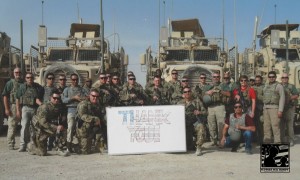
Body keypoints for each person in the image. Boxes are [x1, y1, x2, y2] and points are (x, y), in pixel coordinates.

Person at [27, 90, 69, 156]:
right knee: (42, 153)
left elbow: (63, 114)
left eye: (58, 98)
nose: (56, 100)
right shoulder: (44, 107)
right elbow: (43, 123)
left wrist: (62, 121)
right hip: (40, 128)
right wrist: (56, 127)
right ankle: (31, 146)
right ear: (50, 98)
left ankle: (60, 148)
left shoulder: (59, 106)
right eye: (54, 98)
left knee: (63, 130)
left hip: (49, 126)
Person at [16, 72, 43, 152]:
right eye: (28, 77)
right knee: (24, 127)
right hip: (25, 108)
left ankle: (33, 145)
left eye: (31, 77)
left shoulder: (38, 87)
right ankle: (22, 145)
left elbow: (40, 98)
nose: (29, 79)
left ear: (33, 78)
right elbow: (17, 98)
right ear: (25, 78)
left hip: (35, 109)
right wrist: (18, 110)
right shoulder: (22, 87)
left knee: (35, 127)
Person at [62, 73, 88, 153]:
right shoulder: (67, 89)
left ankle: (81, 145)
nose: (75, 81)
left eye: (76, 79)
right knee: (70, 128)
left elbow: (88, 97)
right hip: (71, 110)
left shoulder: (82, 89)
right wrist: (74, 98)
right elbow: (63, 100)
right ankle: (68, 146)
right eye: (73, 79)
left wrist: (82, 99)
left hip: (81, 111)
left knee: (81, 128)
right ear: (71, 80)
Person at [177, 86, 207, 156]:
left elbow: (205, 112)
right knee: (188, 146)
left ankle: (199, 147)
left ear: (191, 92)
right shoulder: (179, 103)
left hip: (194, 124)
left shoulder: (197, 101)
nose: (187, 93)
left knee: (201, 127)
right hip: (183, 126)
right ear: (183, 94)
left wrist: (199, 112)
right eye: (185, 92)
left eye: (189, 91)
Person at [76, 89, 106, 154]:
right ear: (89, 95)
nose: (95, 98)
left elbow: (101, 115)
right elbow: (82, 116)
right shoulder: (83, 104)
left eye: (97, 96)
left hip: (94, 128)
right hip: (84, 129)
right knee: (85, 152)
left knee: (100, 149)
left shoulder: (98, 105)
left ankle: (98, 146)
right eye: (93, 96)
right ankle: (75, 146)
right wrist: (95, 118)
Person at [204, 72, 230, 146]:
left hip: (220, 106)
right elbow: (203, 94)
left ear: (220, 77)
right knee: (211, 124)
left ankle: (221, 141)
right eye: (214, 77)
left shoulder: (223, 85)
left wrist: (220, 91)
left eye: (217, 77)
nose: (216, 78)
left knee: (221, 124)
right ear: (212, 78)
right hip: (210, 107)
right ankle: (213, 140)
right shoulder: (208, 86)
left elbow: (229, 94)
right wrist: (208, 92)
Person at [2, 68, 24, 150]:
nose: (18, 73)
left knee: (25, 125)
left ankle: (24, 143)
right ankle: (11, 143)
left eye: (19, 72)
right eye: (16, 72)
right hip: (14, 106)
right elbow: (5, 96)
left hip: (23, 105)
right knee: (12, 125)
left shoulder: (23, 83)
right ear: (13, 73)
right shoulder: (10, 83)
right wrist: (7, 109)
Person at [263, 71, 285, 143]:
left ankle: (277, 142)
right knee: (266, 127)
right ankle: (267, 142)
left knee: (275, 127)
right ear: (268, 78)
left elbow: (282, 98)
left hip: (274, 108)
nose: (271, 78)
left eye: (273, 77)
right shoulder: (266, 86)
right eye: (270, 77)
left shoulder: (279, 86)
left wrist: (280, 110)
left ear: (275, 77)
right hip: (266, 108)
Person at [281, 73, 299, 146]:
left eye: (286, 77)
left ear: (288, 79)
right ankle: (282, 139)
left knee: (289, 125)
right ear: (281, 78)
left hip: (289, 108)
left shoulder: (291, 86)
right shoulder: (279, 85)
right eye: (283, 77)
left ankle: (291, 139)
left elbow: (296, 95)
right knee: (281, 125)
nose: (285, 79)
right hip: (281, 108)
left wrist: (289, 98)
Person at [253, 75, 264, 144]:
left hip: (261, 108)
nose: (257, 82)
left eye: (258, 80)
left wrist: (257, 96)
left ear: (261, 80)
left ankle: (261, 139)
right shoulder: (252, 87)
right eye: (256, 80)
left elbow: (265, 98)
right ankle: (255, 138)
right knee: (254, 124)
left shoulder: (264, 87)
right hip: (254, 108)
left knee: (261, 125)